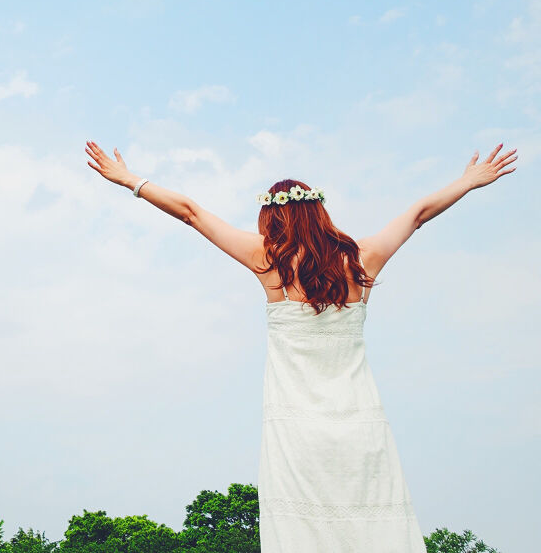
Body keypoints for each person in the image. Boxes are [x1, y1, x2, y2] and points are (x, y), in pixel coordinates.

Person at [84, 140, 517, 552]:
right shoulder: (363, 258)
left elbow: (191, 213)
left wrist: (130, 180)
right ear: (320, 212)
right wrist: (469, 181)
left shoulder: (265, 258)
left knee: (302, 527)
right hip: (360, 425)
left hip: (296, 430)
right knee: (374, 520)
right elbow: (418, 214)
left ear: (272, 219)